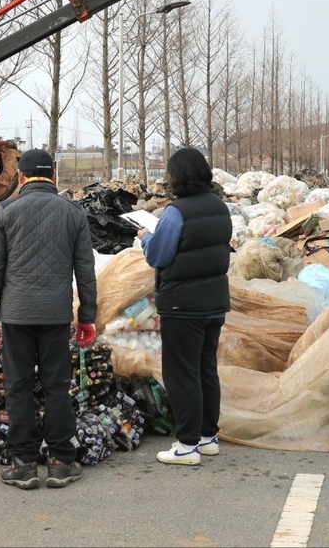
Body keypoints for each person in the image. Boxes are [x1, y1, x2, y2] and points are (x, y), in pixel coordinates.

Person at [0, 148, 97, 489]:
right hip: (56, 314)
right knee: (57, 386)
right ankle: (62, 461)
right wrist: (87, 316)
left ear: (20, 177)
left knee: (17, 386)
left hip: (15, 315)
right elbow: (85, 271)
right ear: (54, 176)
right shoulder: (73, 213)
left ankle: (24, 464)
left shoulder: (4, 212)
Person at [138, 148, 232, 466]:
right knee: (206, 368)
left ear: (177, 177)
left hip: (182, 304)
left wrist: (145, 238)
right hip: (214, 303)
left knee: (181, 372)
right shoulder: (220, 208)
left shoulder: (176, 212)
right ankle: (207, 438)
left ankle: (187, 445)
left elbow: (158, 256)